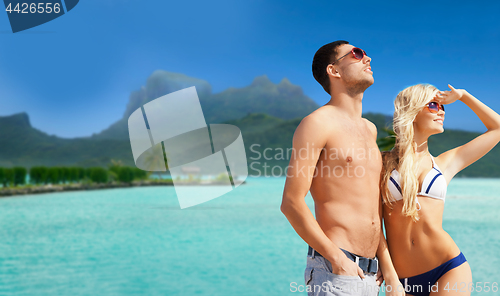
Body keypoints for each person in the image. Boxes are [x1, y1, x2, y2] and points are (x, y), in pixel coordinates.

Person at [281, 40, 403, 296]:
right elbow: (291, 202)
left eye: (366, 54)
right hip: (337, 271)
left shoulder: (369, 129)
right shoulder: (316, 124)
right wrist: (336, 259)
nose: (367, 58)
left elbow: (371, 210)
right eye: (357, 54)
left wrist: (389, 270)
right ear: (333, 71)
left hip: (373, 274)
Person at [381, 83, 500, 296]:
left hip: (449, 268)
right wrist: (389, 274)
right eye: (434, 106)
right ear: (414, 111)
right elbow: (371, 222)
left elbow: (498, 128)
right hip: (402, 278)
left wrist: (463, 95)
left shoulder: (445, 163)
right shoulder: (382, 164)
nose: (442, 112)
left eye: (443, 107)